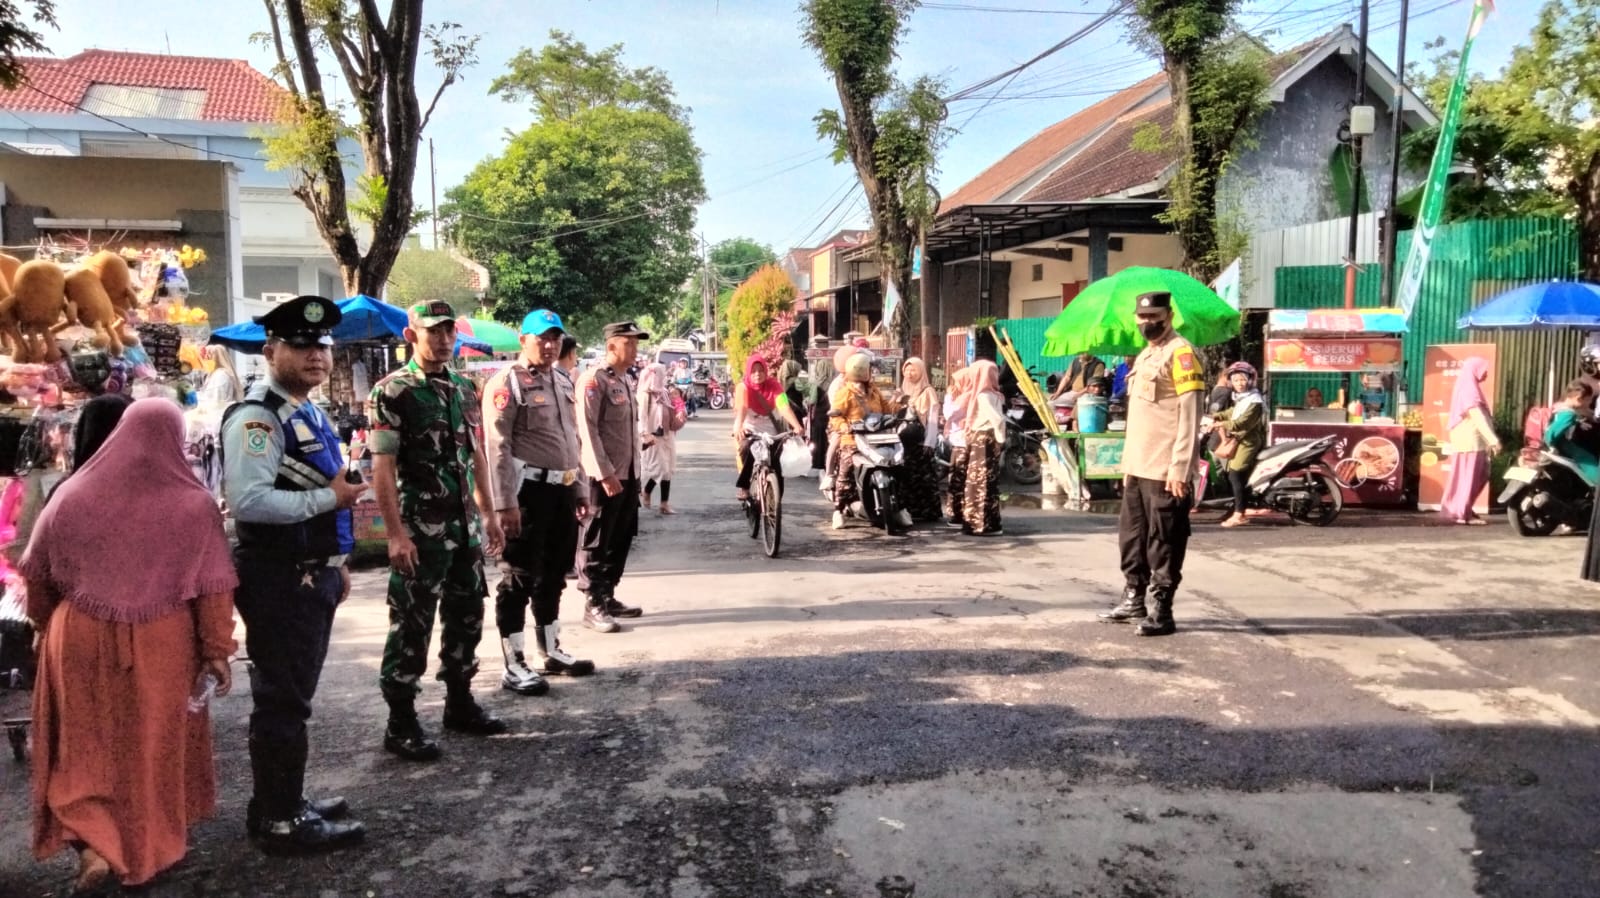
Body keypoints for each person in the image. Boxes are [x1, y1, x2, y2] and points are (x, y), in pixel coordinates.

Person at [23, 400, 240, 891]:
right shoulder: (194, 503)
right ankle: (144, 850)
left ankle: (96, 846)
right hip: (161, 642)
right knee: (149, 745)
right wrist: (216, 650)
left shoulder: (72, 494)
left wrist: (42, 626)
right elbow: (213, 587)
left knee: (84, 746)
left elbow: (37, 574)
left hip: (75, 635)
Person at [220, 296, 368, 854]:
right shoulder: (258, 416)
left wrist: (338, 561)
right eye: (302, 345)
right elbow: (251, 501)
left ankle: (281, 801)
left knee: (293, 695)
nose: (316, 355)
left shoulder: (305, 409)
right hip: (280, 577)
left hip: (311, 571)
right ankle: (282, 820)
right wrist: (325, 499)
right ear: (271, 350)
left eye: (323, 346)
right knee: (283, 699)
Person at [368, 300, 508, 762]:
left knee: (467, 616)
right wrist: (394, 534)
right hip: (419, 533)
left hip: (463, 530)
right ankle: (401, 720)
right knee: (412, 624)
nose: (444, 339)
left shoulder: (465, 389)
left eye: (449, 331)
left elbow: (477, 456)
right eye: (434, 332)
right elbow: (383, 470)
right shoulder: (393, 392)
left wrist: (489, 513)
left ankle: (459, 701)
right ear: (412, 336)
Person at [482, 308, 594, 700]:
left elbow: (571, 441)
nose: (549, 345)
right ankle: (514, 663)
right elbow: (497, 447)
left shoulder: (563, 378)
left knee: (553, 574)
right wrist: (503, 503)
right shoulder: (506, 383)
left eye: (555, 338)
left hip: (562, 490)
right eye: (542, 337)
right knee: (518, 577)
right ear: (523, 339)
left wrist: (580, 486)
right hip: (526, 494)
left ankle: (551, 650)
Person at [1098, 291, 1204, 637]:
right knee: (1132, 538)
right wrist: (1127, 462)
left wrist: (1180, 467)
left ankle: (1162, 610)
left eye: (1153, 317)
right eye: (1141, 318)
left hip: (1165, 468)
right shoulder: (1146, 355)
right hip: (1139, 465)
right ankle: (1133, 599)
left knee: (1164, 540)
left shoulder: (1182, 354)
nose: (1146, 323)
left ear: (1168, 315)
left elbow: (1189, 416)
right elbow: (1141, 416)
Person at [575, 321, 651, 633]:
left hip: (628, 473)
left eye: (636, 343)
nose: (634, 349)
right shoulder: (594, 380)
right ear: (611, 346)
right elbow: (588, 430)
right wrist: (604, 472)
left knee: (620, 537)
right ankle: (592, 601)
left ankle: (608, 594)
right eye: (629, 343)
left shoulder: (624, 380)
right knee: (597, 539)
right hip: (603, 477)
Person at [829, 352, 898, 530]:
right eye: (869, 369)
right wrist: (843, 425)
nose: (872, 373)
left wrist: (898, 404)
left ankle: (898, 508)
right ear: (860, 371)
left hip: (876, 438)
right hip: (853, 440)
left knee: (897, 465)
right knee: (846, 471)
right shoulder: (845, 393)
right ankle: (838, 510)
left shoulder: (874, 391)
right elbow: (836, 416)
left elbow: (886, 411)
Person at [732, 355, 805, 502]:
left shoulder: (775, 385)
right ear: (748, 372)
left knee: (776, 459)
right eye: (753, 371)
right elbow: (742, 409)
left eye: (760, 370)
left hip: (770, 427)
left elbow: (784, 406)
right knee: (746, 447)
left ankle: (775, 499)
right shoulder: (743, 387)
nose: (757, 374)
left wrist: (797, 425)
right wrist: (739, 427)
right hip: (749, 425)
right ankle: (745, 487)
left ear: (766, 371)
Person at [1440, 356, 1501, 525]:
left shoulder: (1469, 387)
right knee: (1470, 477)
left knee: (1476, 475)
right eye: (1483, 369)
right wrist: (1493, 440)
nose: (1486, 373)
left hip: (1470, 441)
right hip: (1470, 441)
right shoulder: (1469, 390)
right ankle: (1462, 513)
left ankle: (1461, 508)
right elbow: (1478, 417)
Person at [1208, 361, 1268, 528]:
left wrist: (1221, 424)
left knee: (1235, 474)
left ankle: (1239, 514)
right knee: (1233, 475)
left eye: (1242, 380)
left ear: (1250, 380)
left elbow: (1242, 422)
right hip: (1239, 440)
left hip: (1248, 442)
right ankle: (1238, 507)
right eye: (1235, 380)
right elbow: (1232, 412)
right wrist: (1216, 416)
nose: (1240, 384)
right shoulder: (1243, 398)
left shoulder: (1254, 401)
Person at [961, 359, 1007, 536]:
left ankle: (979, 524)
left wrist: (999, 439)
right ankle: (983, 524)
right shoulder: (988, 394)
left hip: (983, 439)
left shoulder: (984, 395)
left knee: (980, 484)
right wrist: (1000, 439)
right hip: (986, 440)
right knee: (985, 483)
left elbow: (997, 419)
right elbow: (999, 419)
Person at [898, 357, 944, 522]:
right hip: (904, 442)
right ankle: (910, 510)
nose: (910, 374)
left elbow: (932, 419)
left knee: (923, 477)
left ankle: (928, 512)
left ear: (921, 371)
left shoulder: (928, 391)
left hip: (920, 442)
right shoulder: (903, 389)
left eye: (914, 370)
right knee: (907, 477)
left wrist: (929, 442)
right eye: (907, 370)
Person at [639, 361, 685, 514]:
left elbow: (672, 410)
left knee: (669, 468)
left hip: (667, 434)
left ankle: (664, 504)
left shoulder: (664, 393)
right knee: (660, 469)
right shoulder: (644, 396)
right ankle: (647, 491)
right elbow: (642, 418)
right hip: (653, 437)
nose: (661, 378)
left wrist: (679, 416)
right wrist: (645, 435)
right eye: (658, 375)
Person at [1544, 380, 1599, 483]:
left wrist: (1578, 422)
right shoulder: (1568, 414)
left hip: (1561, 444)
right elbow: (1552, 432)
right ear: (1579, 399)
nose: (1589, 403)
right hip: (1564, 445)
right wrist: (1551, 445)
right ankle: (1597, 486)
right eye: (1588, 400)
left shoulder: (1559, 407)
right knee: (1588, 459)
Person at [943, 367, 973, 529]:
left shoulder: (969, 397)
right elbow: (950, 415)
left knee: (960, 479)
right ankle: (957, 514)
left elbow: (951, 414)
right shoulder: (962, 397)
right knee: (957, 478)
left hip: (965, 443)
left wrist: (949, 397)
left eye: (958, 381)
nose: (955, 385)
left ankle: (960, 515)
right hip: (959, 442)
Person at [807, 356, 836, 476]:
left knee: (819, 442)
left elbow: (811, 401)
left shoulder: (816, 384)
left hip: (818, 418)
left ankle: (818, 464)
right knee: (829, 442)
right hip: (831, 417)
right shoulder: (834, 383)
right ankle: (829, 464)